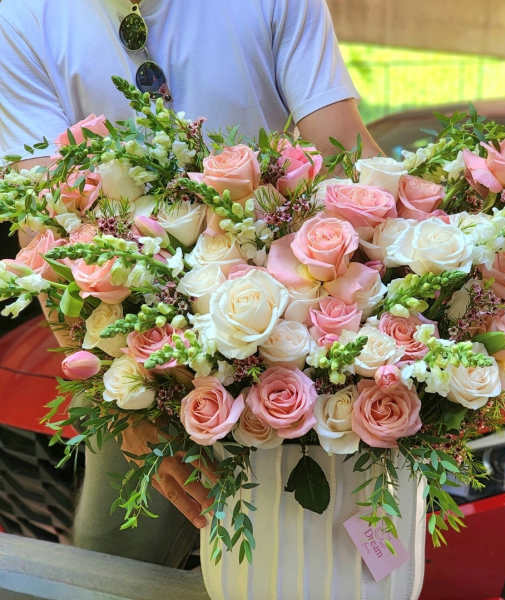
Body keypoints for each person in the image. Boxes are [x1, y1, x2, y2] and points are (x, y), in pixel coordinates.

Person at [0, 0, 382, 567]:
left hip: (296, 342)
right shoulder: (22, 16)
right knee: (121, 577)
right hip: (140, 362)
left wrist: (467, 271)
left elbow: (343, 154)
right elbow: (47, 233)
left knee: (312, 573)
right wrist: (126, 407)